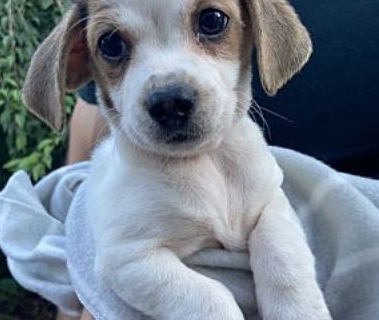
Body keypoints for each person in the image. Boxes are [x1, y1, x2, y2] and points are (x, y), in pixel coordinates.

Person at [60, 0, 378, 318]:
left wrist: (291, 291)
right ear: (79, 56)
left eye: (211, 23)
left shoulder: (250, 152)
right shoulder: (128, 185)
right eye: (114, 45)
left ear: (256, 26)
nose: (169, 94)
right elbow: (121, 261)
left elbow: (267, 205)